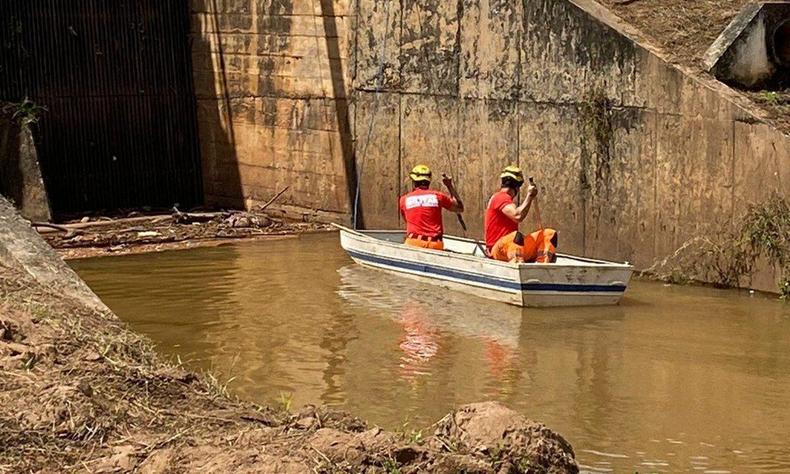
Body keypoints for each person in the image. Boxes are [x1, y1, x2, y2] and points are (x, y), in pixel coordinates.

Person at [485, 165, 558, 263]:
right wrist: (529, 196)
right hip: (498, 250)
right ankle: (517, 264)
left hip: (513, 246)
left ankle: (542, 265)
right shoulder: (500, 197)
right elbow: (517, 216)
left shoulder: (504, 199)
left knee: (548, 234)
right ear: (517, 187)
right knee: (515, 236)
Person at [399, 165, 464, 251]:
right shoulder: (438, 196)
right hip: (435, 244)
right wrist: (449, 186)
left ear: (413, 182)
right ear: (429, 181)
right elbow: (459, 208)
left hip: (413, 242)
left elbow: (407, 220)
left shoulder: (404, 200)